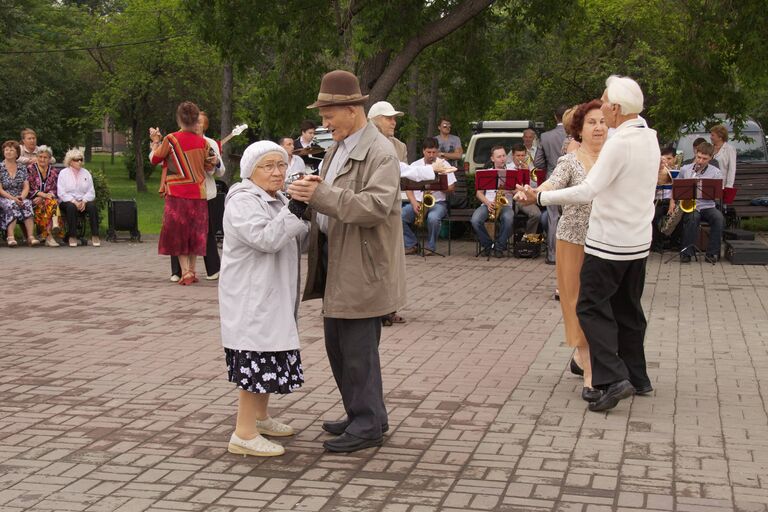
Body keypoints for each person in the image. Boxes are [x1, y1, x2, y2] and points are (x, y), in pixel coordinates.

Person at [516, 75, 659, 412]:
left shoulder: (620, 143)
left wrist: (541, 195)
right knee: (629, 309)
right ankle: (638, 376)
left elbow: (587, 191)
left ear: (617, 109)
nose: (602, 110)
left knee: (592, 308)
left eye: (605, 103)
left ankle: (611, 378)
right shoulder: (648, 136)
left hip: (608, 243)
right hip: (638, 242)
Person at [287, 69, 405, 453]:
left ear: (352, 110)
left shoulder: (379, 152)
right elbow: (331, 193)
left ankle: (369, 424)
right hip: (339, 260)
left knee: (357, 351)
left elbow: (376, 205)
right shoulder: (340, 146)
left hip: (362, 265)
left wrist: (319, 197)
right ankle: (362, 413)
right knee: (338, 345)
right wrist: (309, 193)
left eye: (328, 115)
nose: (324, 123)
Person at [219, 141, 309, 458]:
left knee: (270, 356)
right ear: (250, 170)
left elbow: (297, 235)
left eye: (281, 165)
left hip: (274, 295)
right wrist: (297, 207)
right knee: (255, 360)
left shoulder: (277, 198)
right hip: (251, 298)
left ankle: (260, 418)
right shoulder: (243, 201)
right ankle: (243, 433)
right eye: (268, 166)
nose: (277, 172)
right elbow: (266, 239)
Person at [529, 100, 606, 401]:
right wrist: (535, 192)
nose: (599, 127)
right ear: (579, 129)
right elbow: (551, 184)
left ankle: (580, 357)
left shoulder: (613, 159)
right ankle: (590, 372)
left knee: (599, 304)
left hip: (606, 242)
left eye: (603, 121)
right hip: (573, 241)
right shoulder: (570, 162)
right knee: (576, 303)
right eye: (592, 122)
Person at [149, 101, 217, 285]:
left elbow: (155, 159)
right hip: (198, 193)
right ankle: (192, 271)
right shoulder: (203, 142)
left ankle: (185, 272)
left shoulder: (171, 139)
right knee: (195, 233)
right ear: (196, 120)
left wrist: (155, 141)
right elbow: (211, 164)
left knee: (178, 233)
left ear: (179, 118)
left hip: (177, 194)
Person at [170, 111, 225, 282]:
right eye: (194, 121)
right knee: (179, 231)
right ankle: (178, 271)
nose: (196, 125)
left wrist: (215, 163)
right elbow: (163, 160)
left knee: (205, 232)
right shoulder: (178, 140)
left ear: (204, 125)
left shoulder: (209, 143)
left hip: (204, 194)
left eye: (199, 122)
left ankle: (212, 269)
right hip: (182, 193)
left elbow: (220, 171)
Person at [402, 138, 456, 255]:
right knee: (399, 216)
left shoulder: (444, 164)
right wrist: (413, 202)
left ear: (437, 151)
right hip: (418, 202)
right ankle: (412, 244)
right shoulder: (415, 165)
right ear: (423, 151)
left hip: (438, 203)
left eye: (434, 152)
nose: (431, 155)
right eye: (428, 152)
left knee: (433, 218)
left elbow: (451, 188)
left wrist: (438, 187)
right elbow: (408, 188)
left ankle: (431, 247)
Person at [678, 142, 724, 264]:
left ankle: (712, 253)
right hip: (692, 206)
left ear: (710, 158)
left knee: (718, 218)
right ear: (695, 154)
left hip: (708, 205)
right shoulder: (685, 169)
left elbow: (718, 193)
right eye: (699, 157)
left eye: (705, 159)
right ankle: (686, 253)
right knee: (693, 218)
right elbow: (676, 188)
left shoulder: (716, 172)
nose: (700, 161)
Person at [534, 105, 568, 265]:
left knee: (553, 218)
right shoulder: (576, 134)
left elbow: (538, 162)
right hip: (572, 181)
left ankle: (552, 255)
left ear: (555, 117)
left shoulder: (546, 136)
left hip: (552, 179)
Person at [471, 145, 515, 257]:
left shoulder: (512, 172)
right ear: (492, 159)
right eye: (499, 156)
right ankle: (487, 245)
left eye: (504, 156)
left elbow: (517, 192)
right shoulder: (486, 173)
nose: (502, 159)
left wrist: (509, 189)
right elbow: (478, 193)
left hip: (506, 205)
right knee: (475, 220)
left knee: (508, 218)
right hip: (488, 204)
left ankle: (499, 247)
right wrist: (487, 203)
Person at [57, 149, 100, 248]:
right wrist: (74, 202)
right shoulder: (63, 173)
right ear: (70, 161)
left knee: (92, 207)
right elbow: (61, 192)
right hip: (67, 201)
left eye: (81, 159)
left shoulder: (86, 173)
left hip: (82, 200)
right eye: (77, 160)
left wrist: (84, 201)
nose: (80, 162)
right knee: (71, 207)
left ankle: (95, 235)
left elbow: (91, 191)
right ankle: (72, 236)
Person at [0, 141, 37, 247]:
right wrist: (13, 198)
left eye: (11, 150)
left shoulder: (22, 168)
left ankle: (30, 237)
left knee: (27, 203)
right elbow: (0, 190)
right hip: (4, 197)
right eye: (6, 150)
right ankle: (10, 237)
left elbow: (26, 187)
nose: (8, 152)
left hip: (19, 196)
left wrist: (21, 197)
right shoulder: (0, 167)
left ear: (17, 154)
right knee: (12, 204)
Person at [27, 146, 61, 247]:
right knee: (48, 204)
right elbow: (29, 188)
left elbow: (54, 188)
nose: (42, 159)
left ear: (50, 159)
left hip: (47, 199)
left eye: (45, 157)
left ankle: (49, 236)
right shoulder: (30, 169)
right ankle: (53, 228)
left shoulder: (53, 171)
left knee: (50, 203)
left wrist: (44, 197)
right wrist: (43, 195)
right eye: (40, 156)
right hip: (34, 200)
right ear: (37, 157)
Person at [508, 143, 542, 234]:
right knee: (536, 214)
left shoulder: (527, 167)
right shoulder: (508, 168)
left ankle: (528, 238)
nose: (520, 158)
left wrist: (527, 172)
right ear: (513, 155)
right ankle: (519, 238)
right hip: (514, 199)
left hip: (525, 198)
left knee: (539, 213)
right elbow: (510, 187)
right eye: (518, 155)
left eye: (523, 155)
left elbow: (531, 185)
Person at [651, 147, 678, 251]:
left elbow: (677, 190)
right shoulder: (656, 170)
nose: (666, 161)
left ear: (675, 159)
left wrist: (672, 203)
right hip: (658, 201)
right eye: (664, 159)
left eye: (669, 158)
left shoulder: (676, 171)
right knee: (654, 216)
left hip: (671, 200)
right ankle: (656, 244)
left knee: (678, 216)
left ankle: (674, 243)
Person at [710, 124, 737, 188]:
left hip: (723, 185)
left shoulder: (729, 149)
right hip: (709, 183)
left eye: (712, 135)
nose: (710, 137)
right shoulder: (710, 148)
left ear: (720, 137)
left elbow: (732, 169)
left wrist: (729, 186)